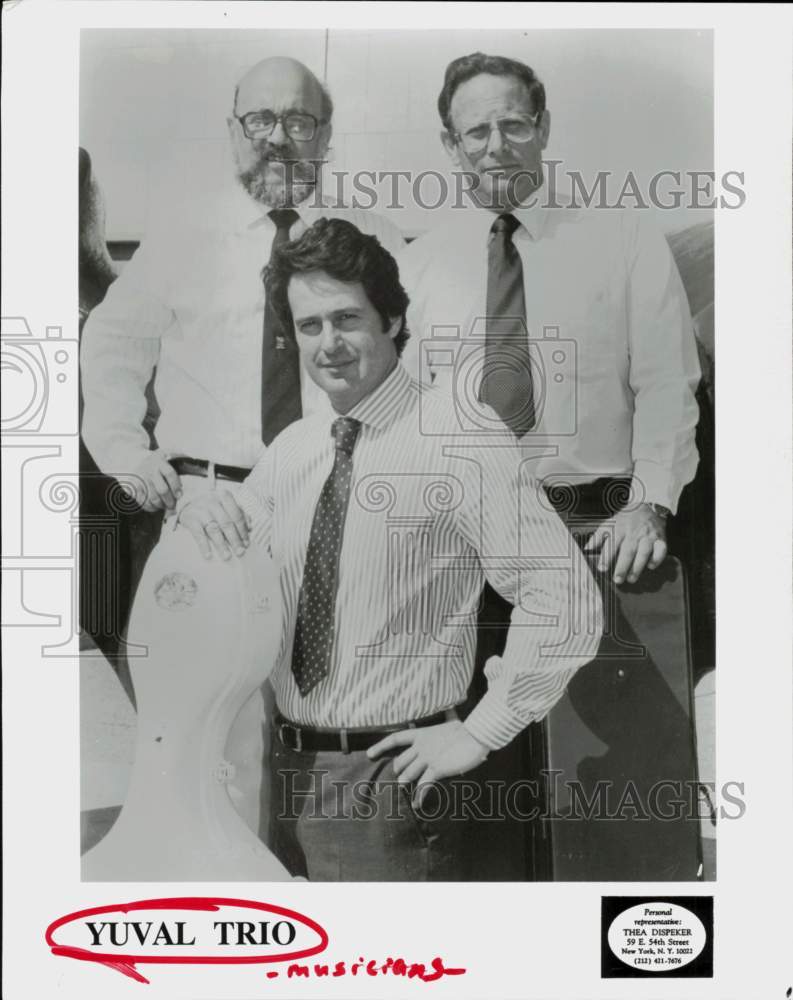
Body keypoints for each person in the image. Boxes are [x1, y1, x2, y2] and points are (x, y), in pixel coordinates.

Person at [180, 218, 603, 881]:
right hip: (283, 776)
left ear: (394, 320)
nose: (329, 343)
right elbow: (223, 558)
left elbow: (562, 598)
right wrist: (197, 510)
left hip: (391, 784)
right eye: (310, 325)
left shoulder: (457, 434)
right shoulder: (293, 450)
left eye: (346, 318)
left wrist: (480, 729)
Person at [80, 56, 404, 834]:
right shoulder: (183, 236)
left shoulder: (374, 238)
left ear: (324, 135)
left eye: (297, 121)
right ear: (233, 132)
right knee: (207, 747)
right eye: (260, 121)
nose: (278, 139)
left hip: (339, 509)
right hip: (208, 513)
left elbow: (414, 370)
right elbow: (111, 350)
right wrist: (131, 458)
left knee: (332, 729)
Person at [398, 52, 701, 579]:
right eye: (476, 132)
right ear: (452, 145)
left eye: (514, 124)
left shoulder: (622, 239)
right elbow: (400, 413)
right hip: (456, 538)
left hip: (599, 531)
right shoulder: (415, 266)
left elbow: (666, 384)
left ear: (544, 128)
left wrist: (647, 505)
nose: (496, 146)